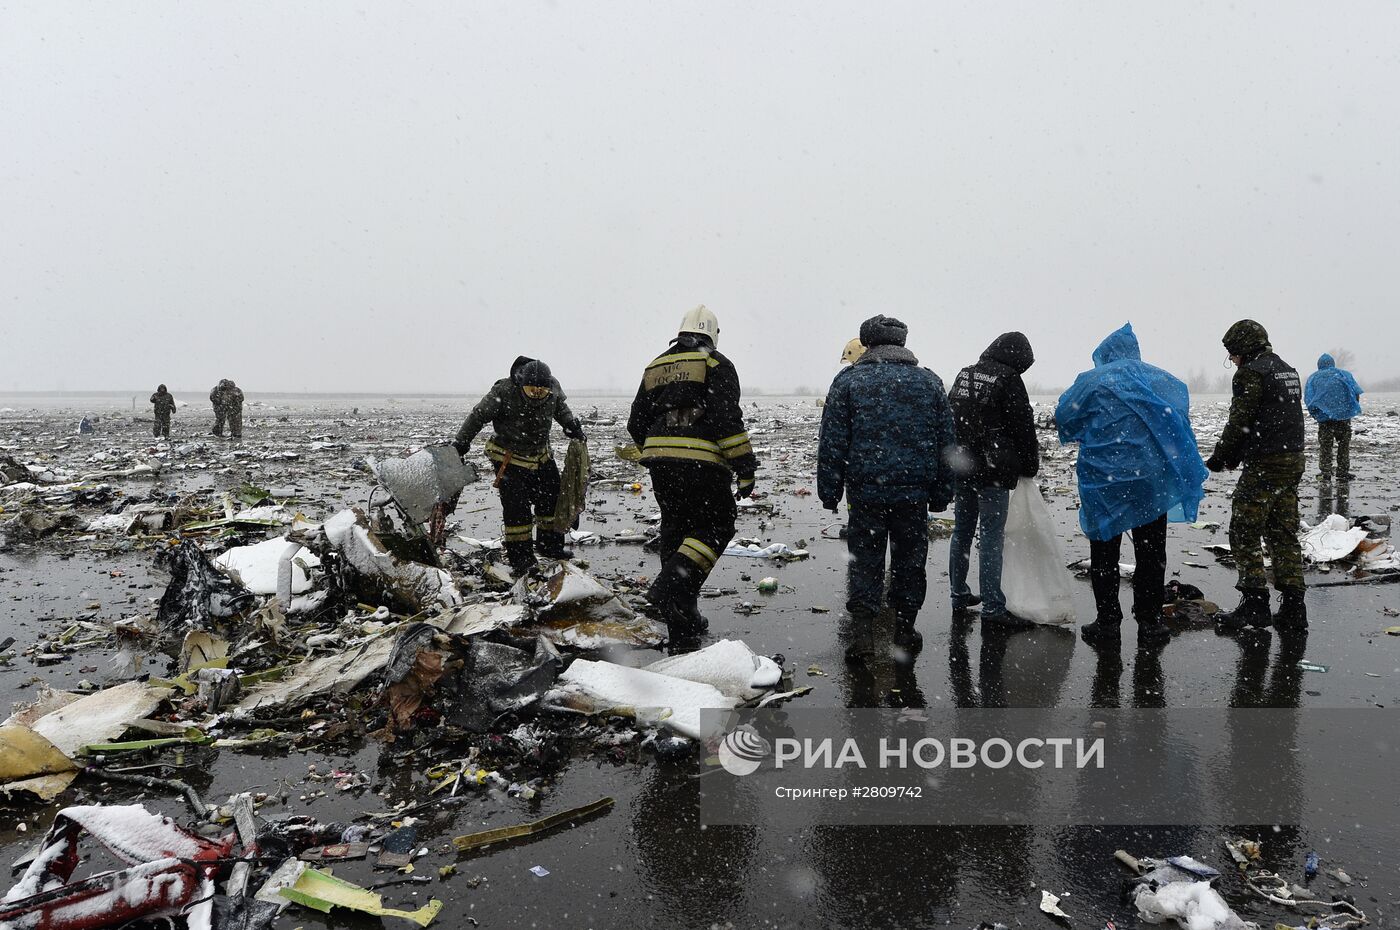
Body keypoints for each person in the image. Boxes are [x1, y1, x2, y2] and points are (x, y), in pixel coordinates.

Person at [1056, 324, 1208, 647]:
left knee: (1104, 553)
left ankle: (1108, 624)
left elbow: (1065, 419)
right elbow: (1179, 416)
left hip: (1105, 483)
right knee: (1151, 554)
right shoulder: (1160, 380)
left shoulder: (1092, 381)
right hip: (1150, 484)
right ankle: (1150, 624)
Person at [817, 315, 955, 662]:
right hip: (914, 491)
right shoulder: (929, 382)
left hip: (866, 491)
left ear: (867, 342)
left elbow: (833, 441)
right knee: (910, 561)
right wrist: (942, 492)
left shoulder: (849, 381)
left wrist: (830, 490)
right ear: (903, 342)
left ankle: (863, 637)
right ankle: (904, 630)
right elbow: (946, 442)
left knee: (865, 560)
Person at [628, 305, 757, 646]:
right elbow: (726, 421)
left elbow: (635, 422)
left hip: (660, 464)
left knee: (675, 531)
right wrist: (745, 468)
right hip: (702, 465)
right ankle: (666, 589)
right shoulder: (716, 363)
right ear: (713, 334)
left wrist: (659, 451)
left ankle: (682, 622)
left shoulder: (657, 364)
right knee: (717, 524)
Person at [1205, 320, 1307, 632]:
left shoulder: (1252, 372)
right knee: (1282, 531)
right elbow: (1270, 416)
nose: (1232, 360)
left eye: (1233, 353)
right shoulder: (1286, 369)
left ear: (1245, 348)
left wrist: (1221, 458)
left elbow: (1241, 421)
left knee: (1244, 529)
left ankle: (1254, 603)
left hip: (1267, 462)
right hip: (1292, 458)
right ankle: (1293, 608)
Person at [454, 356, 585, 574]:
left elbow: (561, 408)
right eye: (531, 390)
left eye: (541, 391)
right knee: (517, 510)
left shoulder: (552, 389)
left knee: (551, 501)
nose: (536, 394)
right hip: (509, 457)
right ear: (520, 384)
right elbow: (477, 416)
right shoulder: (503, 391)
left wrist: (571, 425)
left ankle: (550, 547)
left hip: (541, 455)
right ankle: (521, 557)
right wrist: (461, 443)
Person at [947, 332, 1040, 630]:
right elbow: (1022, 426)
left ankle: (958, 594)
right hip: (993, 470)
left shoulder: (965, 374)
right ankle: (993, 606)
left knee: (962, 531)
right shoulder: (1008, 379)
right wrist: (1029, 465)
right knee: (990, 536)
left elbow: (951, 417)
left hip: (963, 466)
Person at [1304, 353, 1363, 482]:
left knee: (1325, 446)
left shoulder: (1314, 378)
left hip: (1325, 420)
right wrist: (1349, 409)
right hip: (1343, 418)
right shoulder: (1344, 375)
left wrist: (1316, 414)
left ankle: (1325, 472)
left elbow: (1309, 399)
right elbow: (1356, 392)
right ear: (1333, 363)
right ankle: (1342, 471)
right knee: (1343, 445)